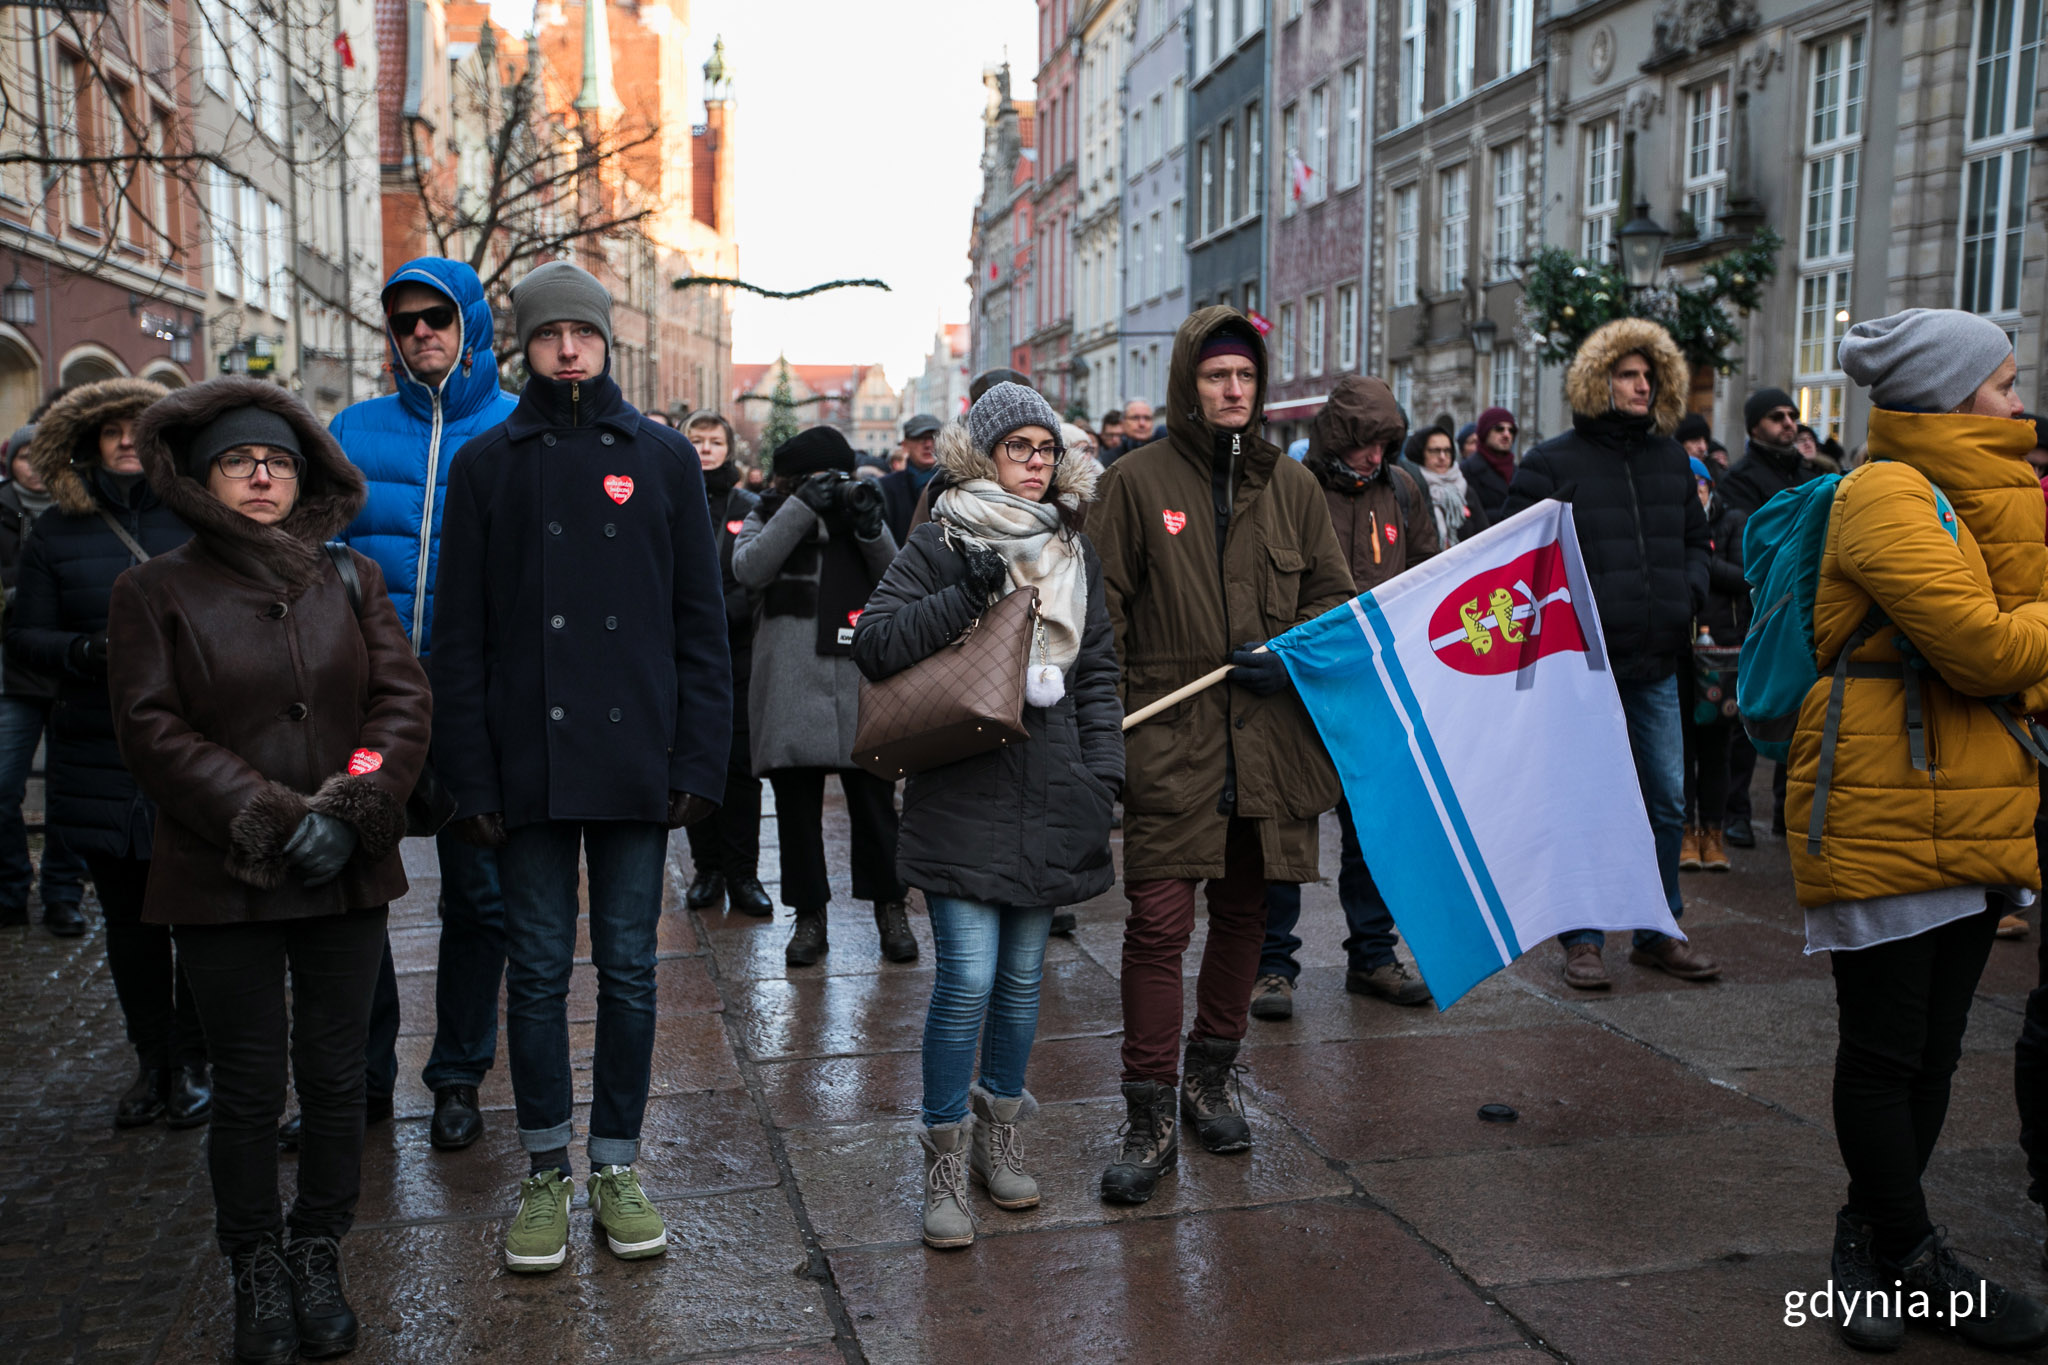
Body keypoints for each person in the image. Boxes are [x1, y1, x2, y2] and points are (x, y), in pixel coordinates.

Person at [109, 377, 432, 1365]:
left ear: (305, 479)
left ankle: (317, 1248)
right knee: (250, 1088)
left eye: (278, 461)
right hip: (222, 877)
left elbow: (398, 702)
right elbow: (151, 727)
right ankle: (254, 1262)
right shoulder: (154, 591)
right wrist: (261, 815)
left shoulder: (350, 579)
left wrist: (358, 802)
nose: (260, 475)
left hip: (342, 874)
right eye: (240, 462)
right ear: (204, 480)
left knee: (337, 1080)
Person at [430, 259, 731, 1274]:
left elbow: (702, 624)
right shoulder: (487, 465)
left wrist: (698, 755)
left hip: (634, 755)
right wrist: (465, 777)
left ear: (607, 341)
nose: (568, 348)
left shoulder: (661, 458)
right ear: (524, 343)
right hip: (528, 762)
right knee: (540, 970)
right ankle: (547, 1169)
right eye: (550, 333)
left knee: (634, 970)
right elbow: (457, 639)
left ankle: (617, 1162)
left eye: (583, 333)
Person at [1796, 309, 2048, 1354]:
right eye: (1999, 384)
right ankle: (1909, 1258)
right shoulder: (1886, 492)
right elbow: (1985, 655)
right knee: (1886, 1046)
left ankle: (1870, 1245)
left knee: (1934, 1049)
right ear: (1948, 398)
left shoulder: (1974, 493)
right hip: (1882, 794)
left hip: (1966, 792)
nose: (2016, 401)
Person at [1089, 307, 1353, 1205]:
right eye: (1215, 377)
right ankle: (1149, 1107)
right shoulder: (1133, 482)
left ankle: (1210, 1075)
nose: (1233, 390)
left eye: (1244, 376)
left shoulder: (1297, 488)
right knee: (1159, 924)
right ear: (1186, 384)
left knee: (1246, 918)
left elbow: (1333, 605)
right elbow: (1103, 626)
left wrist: (1294, 657)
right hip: (1171, 742)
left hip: (1270, 746)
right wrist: (1110, 736)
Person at [852, 381, 1121, 1249]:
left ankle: (998, 1135)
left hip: (1053, 792)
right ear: (985, 455)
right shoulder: (944, 537)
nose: (1036, 465)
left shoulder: (1075, 551)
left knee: (1021, 981)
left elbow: (1100, 675)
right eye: (1019, 449)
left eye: (1047, 451)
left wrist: (1102, 773)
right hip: (963, 788)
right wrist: (966, 592)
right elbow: (880, 643)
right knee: (966, 976)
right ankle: (942, 1152)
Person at [329, 257, 518, 1153]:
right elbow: (311, 555)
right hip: (369, 704)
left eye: (435, 317)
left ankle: (457, 1075)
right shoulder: (353, 432)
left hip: (478, 708)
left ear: (470, 322)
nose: (420, 335)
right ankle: (360, 1077)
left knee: (479, 898)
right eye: (403, 322)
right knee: (352, 887)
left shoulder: (520, 428)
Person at [10, 377, 209, 1126]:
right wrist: (88, 649)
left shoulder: (196, 517)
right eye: (111, 429)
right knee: (127, 924)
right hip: (99, 750)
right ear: (89, 441)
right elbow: (25, 638)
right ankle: (150, 1059)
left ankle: (194, 1058)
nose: (127, 438)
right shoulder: (56, 532)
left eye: (140, 426)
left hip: (189, 748)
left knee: (195, 913)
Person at [1501, 318, 1719, 991]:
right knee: (1585, 802)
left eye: (1649, 376)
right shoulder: (1550, 462)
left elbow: (1694, 541)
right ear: (1600, 381)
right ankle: (1584, 938)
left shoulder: (1670, 463)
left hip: (1656, 661)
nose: (1642, 385)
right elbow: (1515, 556)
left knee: (1664, 800)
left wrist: (1690, 591)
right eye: (1628, 375)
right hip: (1582, 670)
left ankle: (1659, 928)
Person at [1252, 374, 1434, 1020]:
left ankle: (1373, 956)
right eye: (1365, 444)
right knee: (1286, 829)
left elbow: (1425, 579)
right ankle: (1273, 966)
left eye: (1387, 444)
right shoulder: (1290, 488)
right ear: (1339, 438)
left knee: (1374, 831)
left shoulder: (1405, 491)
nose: (1375, 458)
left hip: (1374, 690)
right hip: (1299, 689)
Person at [732, 425, 910, 968]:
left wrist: (868, 524)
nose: (832, 486)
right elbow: (749, 569)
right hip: (792, 681)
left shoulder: (864, 506)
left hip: (857, 677)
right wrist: (801, 507)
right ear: (791, 479)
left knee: (877, 808)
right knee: (796, 808)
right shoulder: (768, 508)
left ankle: (890, 908)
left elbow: (899, 579)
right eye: (817, 478)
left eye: (838, 476)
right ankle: (809, 917)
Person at [1719, 386, 1821, 849]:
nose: (1788, 422)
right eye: (1777, 415)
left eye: (1792, 415)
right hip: (1757, 606)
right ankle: (1735, 811)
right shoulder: (1737, 479)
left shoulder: (1811, 473)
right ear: (1754, 425)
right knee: (1754, 705)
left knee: (1801, 706)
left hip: (1804, 605)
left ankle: (1786, 811)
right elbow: (1751, 541)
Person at [680, 410, 771, 919]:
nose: (706, 450)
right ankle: (707, 868)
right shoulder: (670, 497)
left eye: (715, 442)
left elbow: (754, 580)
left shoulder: (748, 504)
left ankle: (744, 872)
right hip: (686, 656)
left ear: (728, 448)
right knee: (695, 761)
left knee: (741, 769)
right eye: (697, 440)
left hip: (738, 655)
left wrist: (714, 612)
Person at [0, 422, 88, 934]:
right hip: (12, 672)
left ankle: (62, 894)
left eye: (42, 456)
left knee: (69, 791)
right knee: (3, 787)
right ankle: (11, 887)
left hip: (72, 669)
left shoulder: (78, 512)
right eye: (23, 457)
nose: (33, 467)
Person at [1678, 456, 1744, 875]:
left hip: (1721, 649)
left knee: (1719, 748)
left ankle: (1713, 834)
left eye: (1698, 484)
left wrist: (1698, 555)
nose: (1694, 491)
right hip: (1681, 651)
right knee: (1682, 748)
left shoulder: (1732, 520)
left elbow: (1743, 575)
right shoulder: (1670, 523)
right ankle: (1687, 833)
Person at [1409, 421, 1490, 548]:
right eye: (1435, 451)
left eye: (1447, 451)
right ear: (1420, 453)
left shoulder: (1464, 489)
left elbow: (1484, 536)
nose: (1442, 457)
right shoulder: (1411, 488)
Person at [880, 413, 943, 546]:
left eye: (934, 437)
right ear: (905, 444)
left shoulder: (954, 483)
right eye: (920, 438)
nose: (928, 444)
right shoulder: (886, 487)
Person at [1458, 405, 1519, 519]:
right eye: (1499, 429)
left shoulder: (1518, 472)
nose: (1506, 434)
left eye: (1511, 430)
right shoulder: (1467, 470)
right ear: (1485, 432)